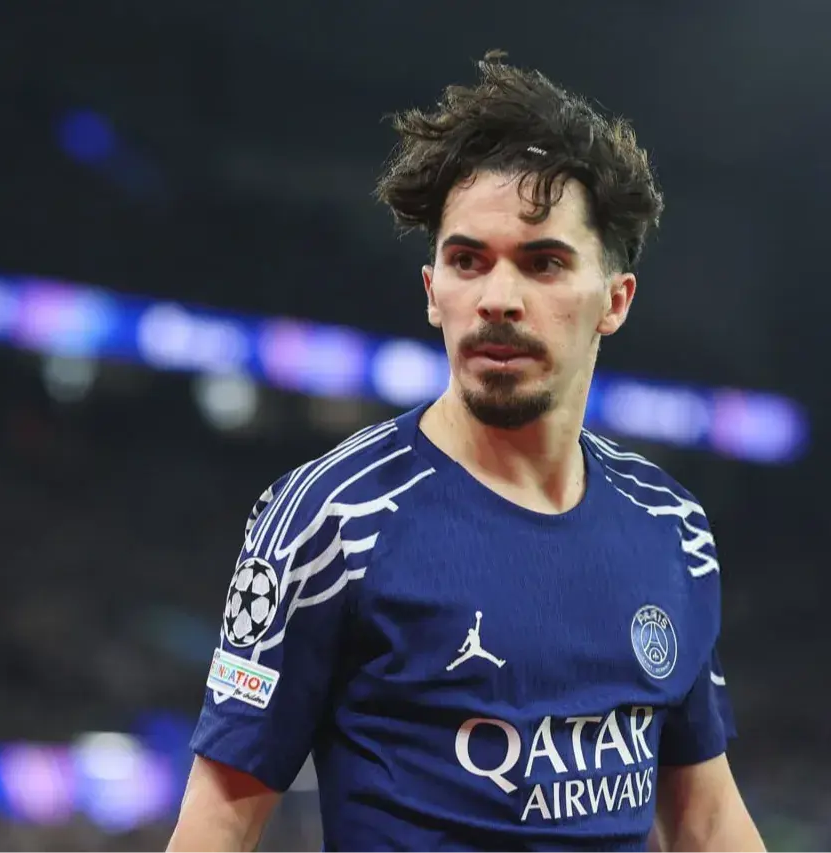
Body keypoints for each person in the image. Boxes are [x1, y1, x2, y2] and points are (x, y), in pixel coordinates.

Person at [167, 51, 765, 852]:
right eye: (467, 260)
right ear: (432, 292)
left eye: (544, 262)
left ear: (614, 301)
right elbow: (217, 821)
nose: (497, 298)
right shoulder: (330, 519)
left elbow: (706, 818)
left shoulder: (673, 526)